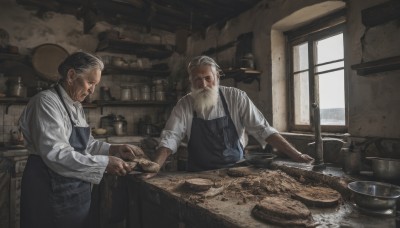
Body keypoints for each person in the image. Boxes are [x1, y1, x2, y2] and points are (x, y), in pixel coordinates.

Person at [19, 51, 144, 228]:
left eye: (95, 84)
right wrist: (104, 163)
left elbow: (87, 144)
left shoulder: (75, 105)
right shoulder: (46, 102)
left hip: (74, 191)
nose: (92, 90)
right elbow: (57, 153)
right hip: (49, 189)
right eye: (90, 82)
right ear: (71, 75)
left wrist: (113, 149)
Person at [142, 55, 313, 177]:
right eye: (197, 80)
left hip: (236, 172)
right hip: (198, 175)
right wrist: (155, 166)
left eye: (208, 78)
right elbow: (170, 137)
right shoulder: (184, 104)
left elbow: (263, 129)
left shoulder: (236, 97)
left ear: (217, 77)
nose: (203, 85)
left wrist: (297, 155)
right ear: (191, 81)